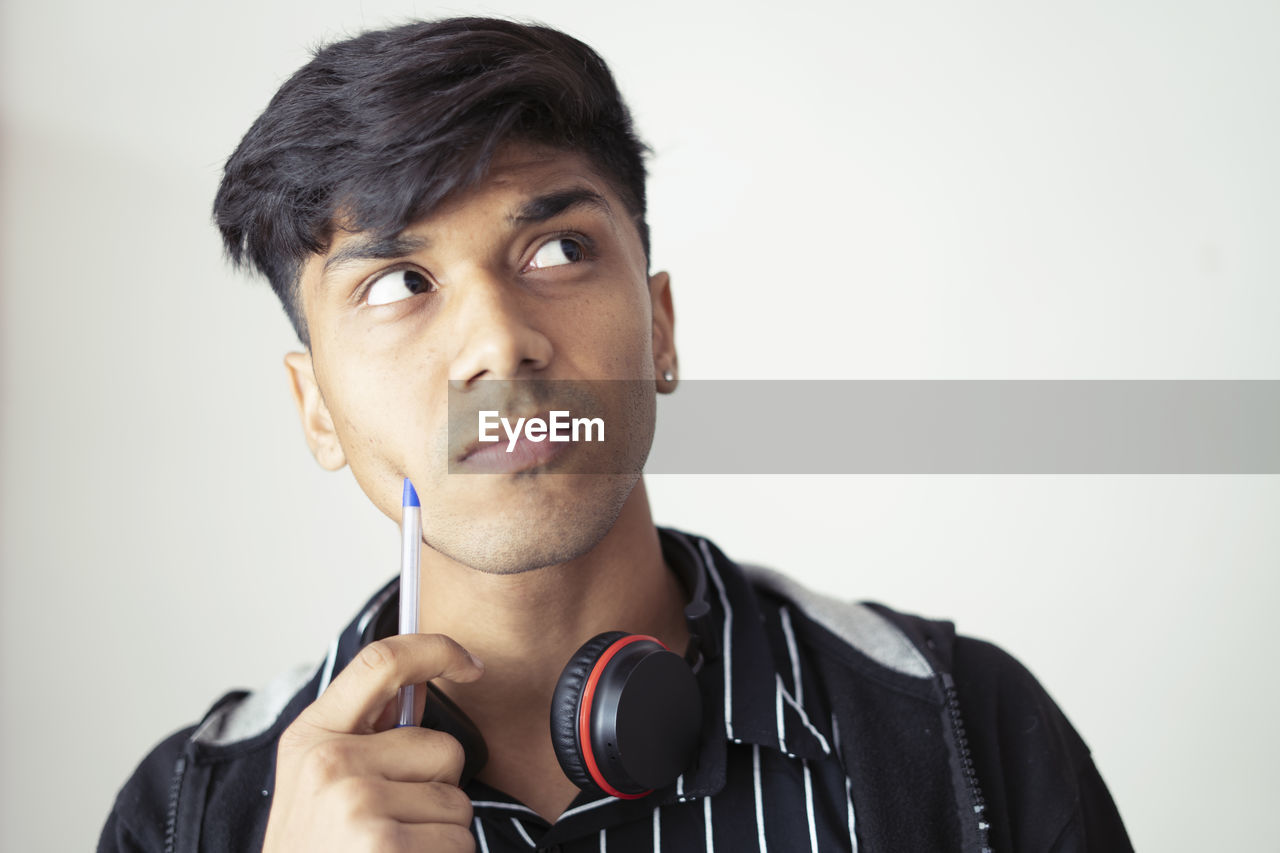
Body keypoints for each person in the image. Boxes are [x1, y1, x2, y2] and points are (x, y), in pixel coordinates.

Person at [98, 17, 1132, 852]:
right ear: (315, 409)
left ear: (661, 327)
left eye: (555, 250)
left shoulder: (966, 725)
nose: (499, 347)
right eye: (400, 283)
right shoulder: (189, 814)